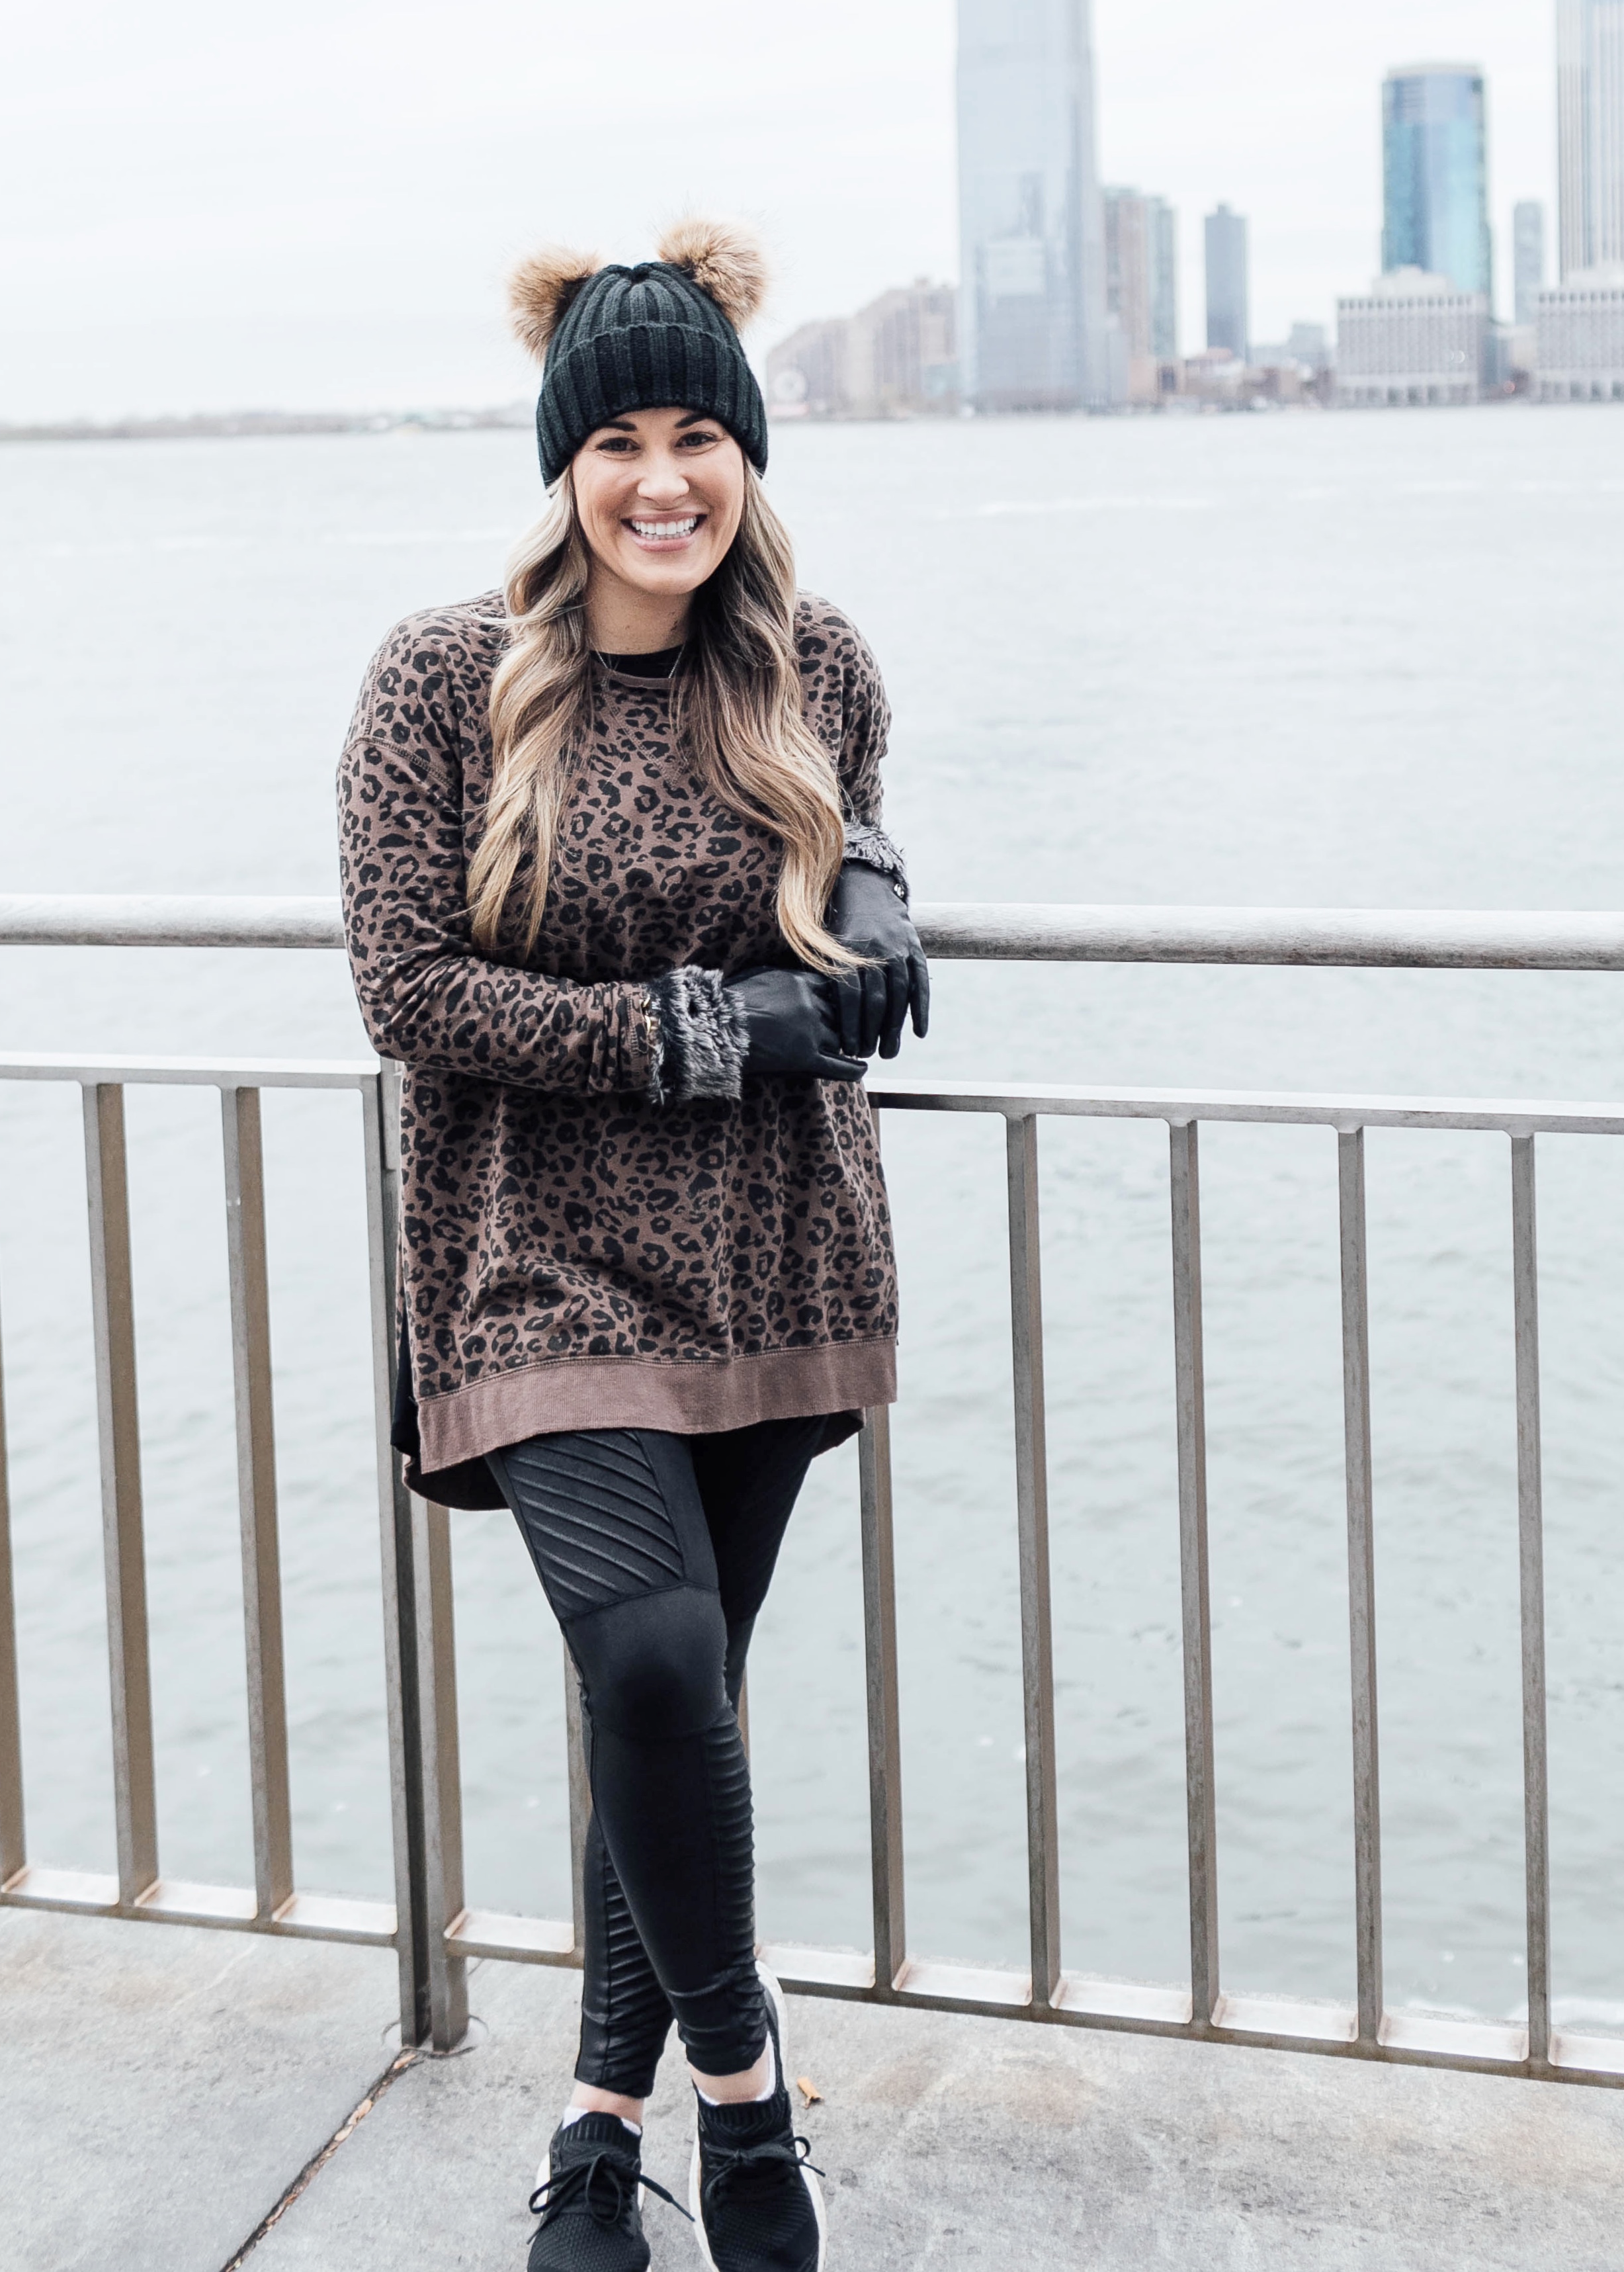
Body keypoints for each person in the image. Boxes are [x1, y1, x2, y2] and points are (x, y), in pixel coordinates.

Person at [337, 219, 927, 2272]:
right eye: (619, 442)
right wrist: (694, 1027)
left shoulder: (815, 659)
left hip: (772, 1250)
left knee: (664, 1706)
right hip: (531, 1257)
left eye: (701, 436)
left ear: (746, 454)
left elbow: (857, 824)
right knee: (653, 1651)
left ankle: (597, 2119)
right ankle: (747, 2107)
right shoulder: (442, 677)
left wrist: (881, 895)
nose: (662, 478)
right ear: (562, 465)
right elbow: (404, 985)